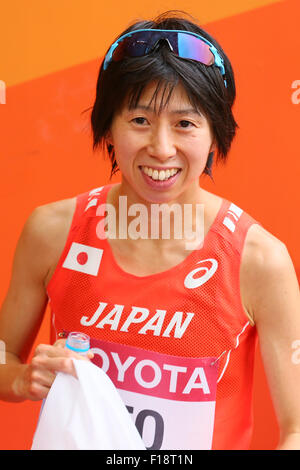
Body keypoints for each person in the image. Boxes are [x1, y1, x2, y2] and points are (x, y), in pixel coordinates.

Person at [0, 10, 300, 451]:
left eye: (185, 123)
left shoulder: (258, 261)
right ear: (108, 130)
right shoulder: (52, 231)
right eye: (139, 121)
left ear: (216, 135)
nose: (161, 149)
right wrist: (24, 378)